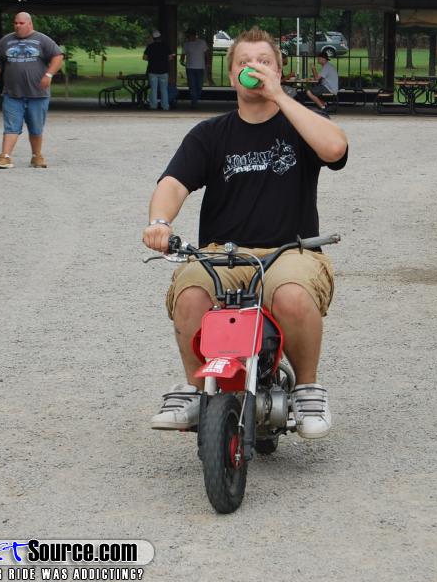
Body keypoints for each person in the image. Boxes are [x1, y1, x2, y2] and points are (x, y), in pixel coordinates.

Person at [143, 26, 349, 439]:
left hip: (291, 250)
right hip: (223, 252)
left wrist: (280, 96)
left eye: (264, 61)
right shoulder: (210, 134)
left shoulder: (301, 123)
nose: (254, 67)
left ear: (279, 71)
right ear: (232, 74)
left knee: (292, 294)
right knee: (191, 291)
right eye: (244, 62)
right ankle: (196, 389)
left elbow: (334, 149)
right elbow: (173, 183)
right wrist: (160, 222)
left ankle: (308, 389)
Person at [0, 12, 63, 169]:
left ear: (30, 24)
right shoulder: (6, 41)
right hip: (12, 93)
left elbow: (58, 56)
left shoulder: (42, 40)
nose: (17, 26)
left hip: (38, 94)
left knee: (36, 127)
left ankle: (37, 156)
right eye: (15, 23)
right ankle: (5, 157)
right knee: (11, 126)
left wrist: (49, 74)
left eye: (21, 23)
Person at [143, 29, 174, 110]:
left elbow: (144, 57)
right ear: (160, 37)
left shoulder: (150, 46)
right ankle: (165, 106)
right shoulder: (165, 46)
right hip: (164, 71)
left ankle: (153, 106)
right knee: (164, 90)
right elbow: (170, 57)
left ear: (153, 38)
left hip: (152, 70)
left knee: (153, 89)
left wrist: (151, 59)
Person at [180, 28, 209, 108]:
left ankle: (195, 99)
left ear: (193, 35)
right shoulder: (186, 44)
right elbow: (183, 54)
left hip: (200, 67)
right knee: (192, 85)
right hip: (190, 68)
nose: (188, 37)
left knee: (199, 85)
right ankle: (194, 101)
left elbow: (206, 53)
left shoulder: (202, 42)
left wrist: (207, 63)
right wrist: (181, 60)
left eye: (188, 35)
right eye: (187, 36)